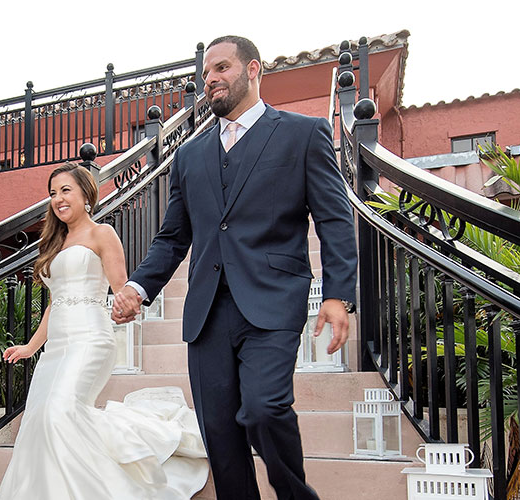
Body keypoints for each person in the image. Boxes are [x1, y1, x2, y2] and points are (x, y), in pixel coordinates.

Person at [112, 35, 357, 500]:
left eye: (221, 68)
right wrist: (138, 287)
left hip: (272, 302)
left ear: (253, 69)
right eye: (206, 73)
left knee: (264, 409)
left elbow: (334, 219)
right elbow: (172, 237)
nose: (210, 79)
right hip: (207, 313)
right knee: (221, 437)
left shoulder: (303, 134)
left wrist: (337, 294)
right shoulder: (189, 155)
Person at [0, 163, 208, 499]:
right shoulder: (54, 242)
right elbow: (55, 303)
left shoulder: (102, 234)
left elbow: (121, 287)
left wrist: (126, 307)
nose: (58, 198)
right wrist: (31, 347)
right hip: (56, 348)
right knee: (40, 418)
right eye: (53, 193)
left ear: (86, 195)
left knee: (60, 412)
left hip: (90, 340)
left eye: (66, 190)